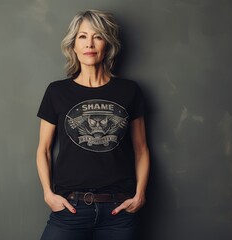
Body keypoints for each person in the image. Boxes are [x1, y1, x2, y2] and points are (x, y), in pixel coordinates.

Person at [36, 9, 150, 240]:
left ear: (107, 44)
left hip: (118, 210)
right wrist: (48, 194)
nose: (90, 43)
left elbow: (141, 149)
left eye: (97, 36)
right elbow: (43, 150)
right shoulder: (57, 91)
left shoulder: (129, 91)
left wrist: (140, 194)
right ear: (73, 46)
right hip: (70, 208)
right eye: (82, 36)